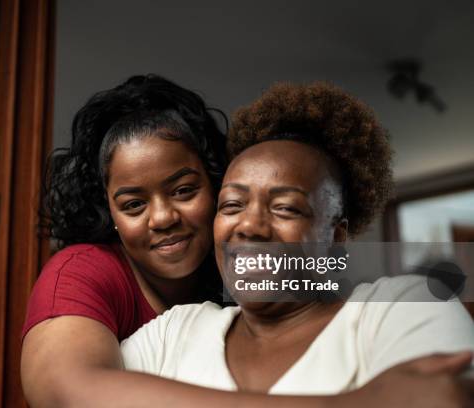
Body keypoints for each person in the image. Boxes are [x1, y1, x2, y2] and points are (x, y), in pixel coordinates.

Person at [121, 82, 474, 407]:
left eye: (286, 208)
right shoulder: (173, 333)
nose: (249, 226)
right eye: (231, 205)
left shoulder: (400, 309)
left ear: (335, 238)